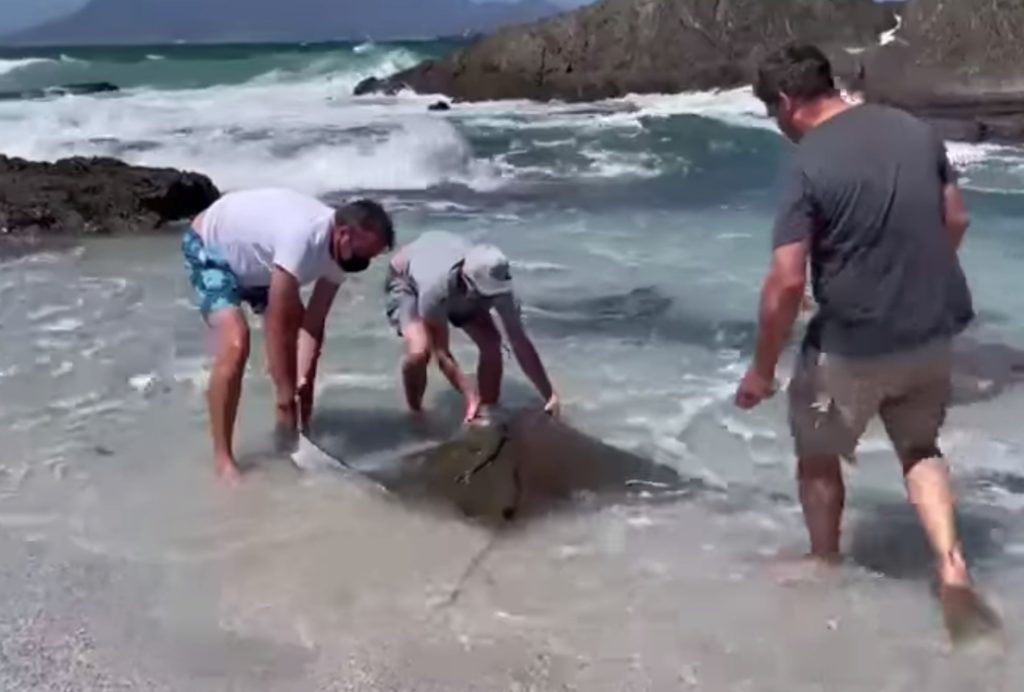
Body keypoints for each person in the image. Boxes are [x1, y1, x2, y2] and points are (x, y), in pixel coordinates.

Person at [735, 43, 999, 640]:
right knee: (920, 448)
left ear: (786, 101)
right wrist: (913, 277)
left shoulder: (808, 164)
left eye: (772, 112)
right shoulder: (913, 129)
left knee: (818, 452)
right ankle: (951, 567)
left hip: (852, 347)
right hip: (930, 331)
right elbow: (955, 219)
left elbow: (785, 282)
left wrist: (761, 370)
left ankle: (824, 560)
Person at [182, 187, 394, 484]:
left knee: (295, 355)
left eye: (369, 259)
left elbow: (313, 322)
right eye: (361, 256)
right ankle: (223, 459)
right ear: (343, 234)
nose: (362, 265)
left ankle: (289, 438)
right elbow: (277, 325)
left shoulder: (342, 255)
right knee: (236, 342)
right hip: (212, 249)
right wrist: (286, 397)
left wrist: (303, 382)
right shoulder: (303, 238)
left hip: (259, 265)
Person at [384, 230, 559, 422]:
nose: (491, 299)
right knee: (420, 351)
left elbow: (519, 341)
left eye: (494, 293)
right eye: (486, 293)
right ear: (467, 281)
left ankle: (487, 411)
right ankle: (415, 413)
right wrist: (469, 395)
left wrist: (549, 394)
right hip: (406, 279)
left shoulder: (500, 287)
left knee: (492, 343)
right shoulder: (434, 290)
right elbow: (442, 353)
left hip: (448, 263)